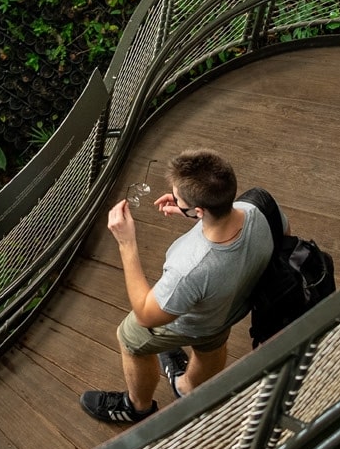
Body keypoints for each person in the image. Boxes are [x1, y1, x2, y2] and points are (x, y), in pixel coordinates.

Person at [80, 148, 273, 425]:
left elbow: (147, 314)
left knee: (130, 338)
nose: (174, 199)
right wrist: (193, 212)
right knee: (212, 339)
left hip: (195, 319)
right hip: (230, 308)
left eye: (179, 198)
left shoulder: (190, 267)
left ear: (200, 209)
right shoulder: (259, 204)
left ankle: (137, 407)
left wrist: (126, 243)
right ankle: (188, 388)